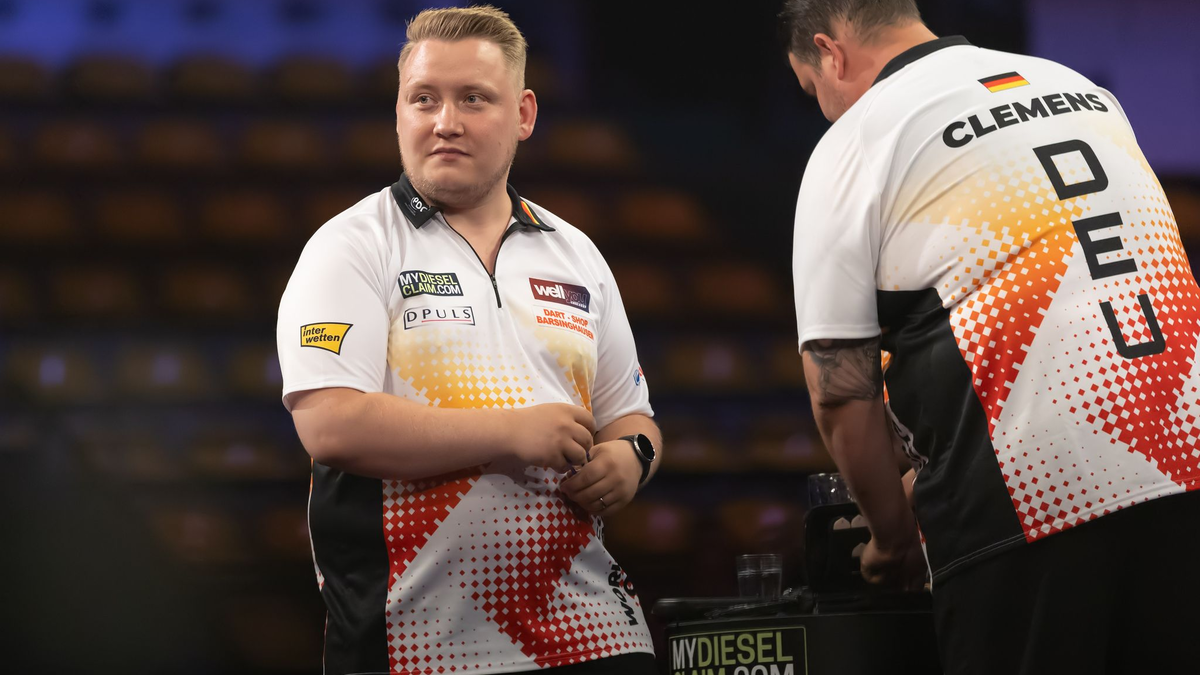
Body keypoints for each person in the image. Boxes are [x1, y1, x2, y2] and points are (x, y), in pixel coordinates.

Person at [781, 0, 1200, 672]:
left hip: (1033, 501)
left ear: (831, 53)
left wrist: (891, 540)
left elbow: (838, 384)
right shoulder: (1085, 91)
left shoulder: (858, 138)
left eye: (815, 93)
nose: (826, 111)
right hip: (1187, 461)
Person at [275, 6, 661, 674]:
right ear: (398, 114)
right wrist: (511, 431)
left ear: (524, 115)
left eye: (473, 99)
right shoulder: (350, 247)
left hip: (594, 633)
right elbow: (332, 426)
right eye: (423, 99)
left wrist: (631, 458)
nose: (445, 120)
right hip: (418, 644)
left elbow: (633, 417)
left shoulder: (577, 254)